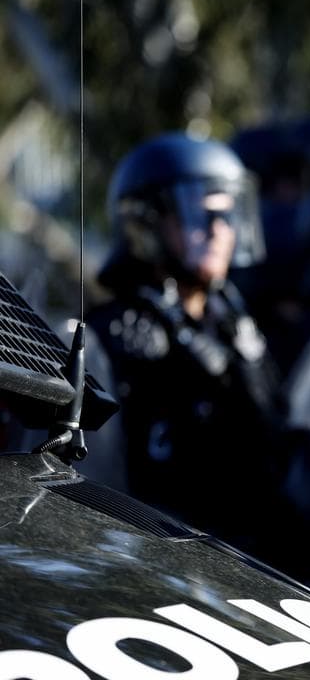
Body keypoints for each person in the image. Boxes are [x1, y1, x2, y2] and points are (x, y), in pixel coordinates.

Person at [86, 134, 288, 553]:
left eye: (228, 214)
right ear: (146, 223)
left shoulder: (236, 325)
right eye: (200, 213)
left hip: (250, 560)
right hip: (150, 555)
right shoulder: (111, 336)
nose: (219, 230)